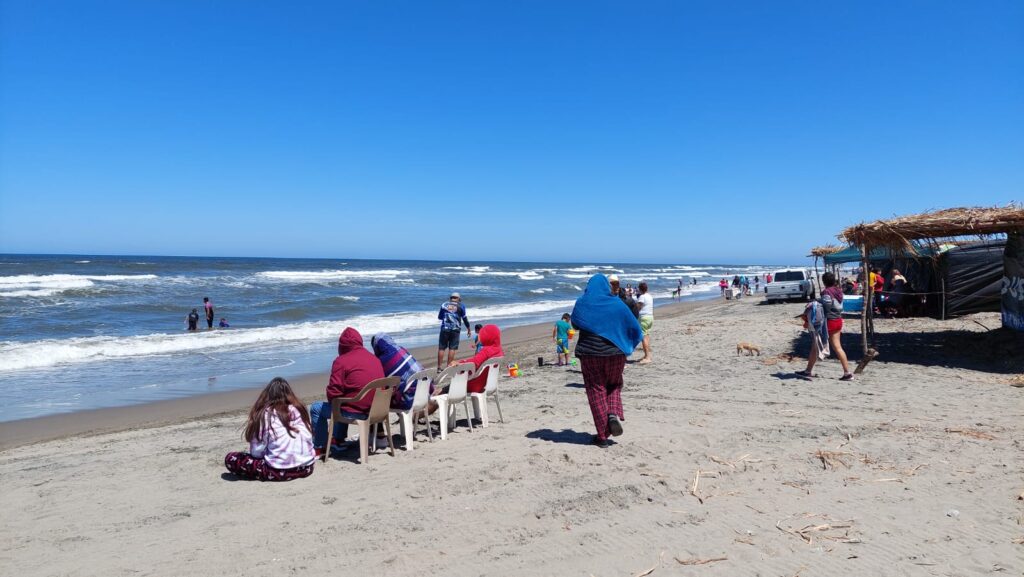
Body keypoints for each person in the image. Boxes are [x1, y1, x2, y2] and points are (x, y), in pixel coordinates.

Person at [571, 274, 643, 447]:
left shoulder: (582, 302)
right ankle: (612, 413)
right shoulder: (617, 303)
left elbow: (574, 324)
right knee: (614, 384)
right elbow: (633, 325)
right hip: (616, 354)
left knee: (596, 391)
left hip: (590, 354)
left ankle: (602, 437)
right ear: (607, 286)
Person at [308, 328, 385, 457]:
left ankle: (320, 447)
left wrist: (334, 399)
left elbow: (333, 392)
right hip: (377, 411)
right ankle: (338, 440)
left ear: (342, 345)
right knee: (343, 400)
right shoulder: (374, 359)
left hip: (357, 413)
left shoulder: (341, 361)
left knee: (317, 408)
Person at [223, 377, 315, 481]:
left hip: (279, 471)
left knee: (230, 458)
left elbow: (256, 453)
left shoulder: (266, 414)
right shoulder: (300, 409)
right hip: (307, 467)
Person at [796, 272, 852, 381]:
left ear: (824, 281)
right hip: (838, 320)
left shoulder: (827, 292)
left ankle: (808, 371)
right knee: (837, 347)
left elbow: (827, 305)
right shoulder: (838, 291)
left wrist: (816, 301)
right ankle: (847, 373)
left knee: (816, 345)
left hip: (829, 321)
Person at [371, 333, 428, 411]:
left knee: (383, 398)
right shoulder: (401, 349)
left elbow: (384, 383)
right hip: (426, 390)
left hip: (410, 399)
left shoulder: (382, 361)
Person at [452, 324, 504, 396]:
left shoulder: (486, 351)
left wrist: (459, 362)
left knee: (440, 392)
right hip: (487, 384)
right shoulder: (499, 350)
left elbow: (474, 362)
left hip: (474, 385)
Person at [437, 292, 471, 370]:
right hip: (455, 330)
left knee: (441, 348)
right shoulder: (461, 306)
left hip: (444, 329)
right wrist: (468, 328)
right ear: (458, 299)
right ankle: (448, 367)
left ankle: (439, 368)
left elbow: (439, 317)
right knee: (452, 348)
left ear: (450, 298)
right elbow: (464, 319)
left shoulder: (444, 305)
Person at [635, 281, 654, 364]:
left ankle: (647, 357)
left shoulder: (642, 297)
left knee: (643, 337)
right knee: (647, 336)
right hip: (650, 317)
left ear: (639, 289)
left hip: (644, 318)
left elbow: (638, 307)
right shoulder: (650, 296)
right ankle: (646, 355)